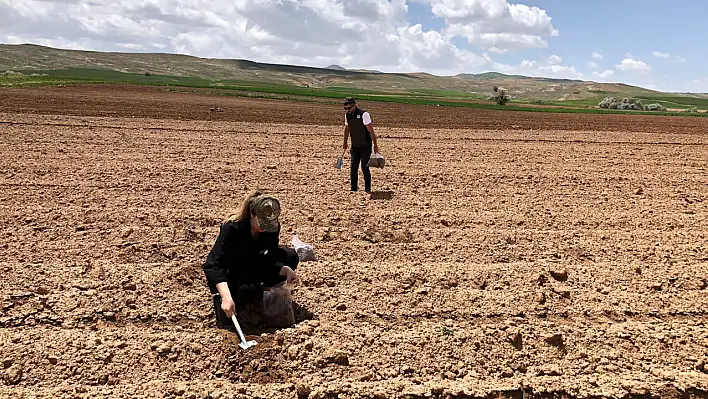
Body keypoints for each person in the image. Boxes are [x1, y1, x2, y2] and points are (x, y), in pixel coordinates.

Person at [202, 190, 300, 328]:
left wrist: (284, 270)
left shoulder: (271, 229)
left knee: (290, 256)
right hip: (234, 271)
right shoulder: (232, 229)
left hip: (255, 265)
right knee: (246, 292)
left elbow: (268, 257)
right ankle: (227, 299)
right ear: (251, 215)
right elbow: (214, 266)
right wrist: (226, 297)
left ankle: (264, 293)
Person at [342, 97, 380, 192]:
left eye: (349, 108)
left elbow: (371, 131)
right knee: (353, 168)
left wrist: (375, 145)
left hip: (365, 146)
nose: (348, 110)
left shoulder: (364, 115)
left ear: (355, 105)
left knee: (364, 167)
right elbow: (347, 128)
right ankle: (353, 190)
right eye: (345, 108)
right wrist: (345, 141)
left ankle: (368, 189)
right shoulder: (347, 116)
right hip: (355, 146)